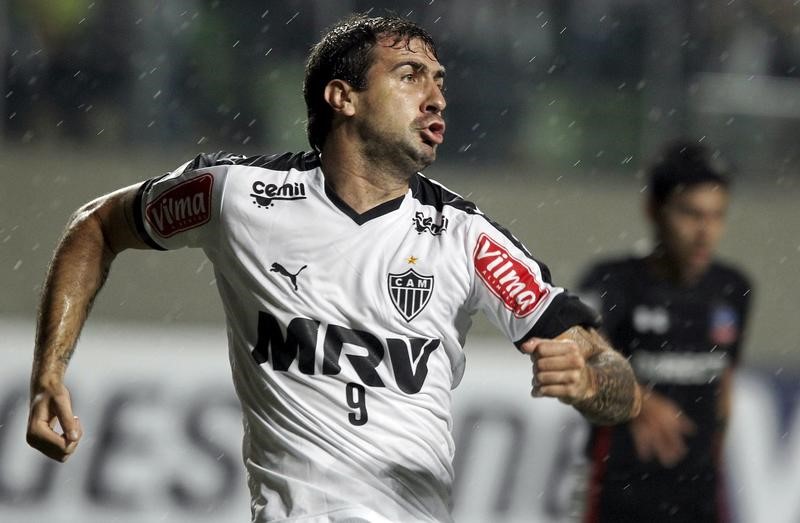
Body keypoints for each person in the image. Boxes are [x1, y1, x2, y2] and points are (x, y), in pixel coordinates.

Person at [26, 14, 640, 523]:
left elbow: (614, 377)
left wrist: (592, 385)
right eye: (410, 76)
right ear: (343, 97)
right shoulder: (238, 196)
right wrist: (48, 372)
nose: (438, 97)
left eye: (440, 80)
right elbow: (97, 226)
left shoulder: (466, 238)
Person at [578, 140, 752, 523]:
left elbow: (724, 383)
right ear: (654, 211)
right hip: (620, 491)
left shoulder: (732, 288)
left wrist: (712, 458)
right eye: (691, 214)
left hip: (698, 494)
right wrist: (635, 397)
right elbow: (577, 360)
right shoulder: (613, 282)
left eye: (717, 215)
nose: (705, 231)